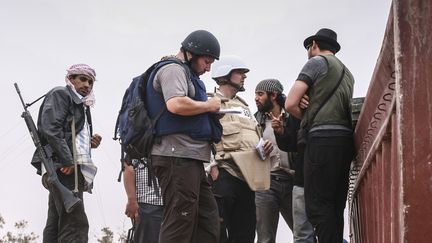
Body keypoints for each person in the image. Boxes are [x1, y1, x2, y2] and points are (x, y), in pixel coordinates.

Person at [145, 30, 223, 243]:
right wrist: (208, 105)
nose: (209, 68)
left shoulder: (187, 74)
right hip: (175, 157)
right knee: (180, 221)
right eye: (207, 61)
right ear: (192, 53)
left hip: (191, 158)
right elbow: (176, 103)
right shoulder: (172, 69)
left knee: (207, 221)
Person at [285, 28, 355, 243]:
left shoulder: (316, 63)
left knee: (318, 205)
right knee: (335, 206)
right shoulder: (347, 73)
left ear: (314, 44)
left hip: (322, 139)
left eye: (309, 47)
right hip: (345, 140)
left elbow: (290, 104)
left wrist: (306, 114)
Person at [31, 64, 102, 242]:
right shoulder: (61, 94)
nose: (87, 85)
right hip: (64, 167)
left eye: (91, 82)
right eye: (83, 79)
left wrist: (89, 144)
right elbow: (51, 129)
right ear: (71, 79)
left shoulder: (81, 104)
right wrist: (68, 160)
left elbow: (69, 134)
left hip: (64, 165)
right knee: (74, 224)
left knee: (56, 221)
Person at [208, 55, 273, 243]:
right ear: (224, 74)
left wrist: (263, 150)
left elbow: (250, 139)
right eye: (240, 72)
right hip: (223, 174)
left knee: (244, 235)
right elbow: (202, 138)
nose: (244, 77)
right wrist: (211, 168)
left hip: (247, 178)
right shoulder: (210, 101)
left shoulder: (244, 107)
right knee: (216, 233)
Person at [254, 79, 297, 243]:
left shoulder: (293, 117)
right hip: (266, 183)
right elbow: (249, 151)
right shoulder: (256, 121)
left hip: (293, 181)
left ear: (273, 95)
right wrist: (257, 153)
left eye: (260, 94)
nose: (256, 98)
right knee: (265, 238)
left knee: (302, 232)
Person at [123, 159, 163, 243]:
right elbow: (128, 167)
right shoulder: (137, 147)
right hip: (147, 204)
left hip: (173, 203)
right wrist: (132, 200)